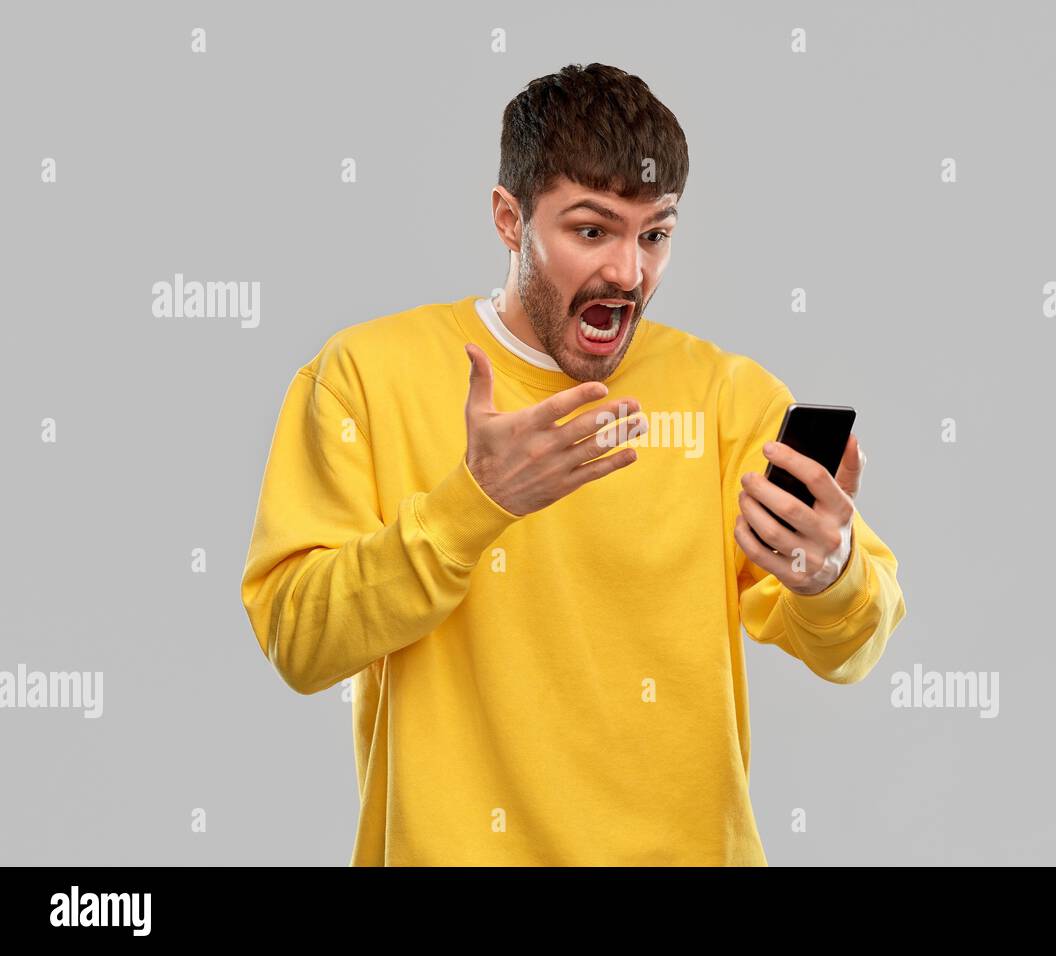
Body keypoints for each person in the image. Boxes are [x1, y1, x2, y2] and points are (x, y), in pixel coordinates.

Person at [240, 62, 906, 866]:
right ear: (508, 219)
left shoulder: (728, 397)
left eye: (653, 234)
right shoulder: (364, 378)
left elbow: (852, 648)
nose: (628, 274)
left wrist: (827, 570)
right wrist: (473, 505)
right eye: (592, 231)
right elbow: (299, 642)